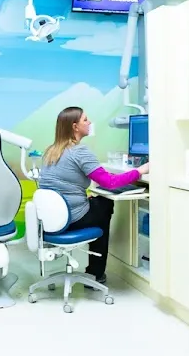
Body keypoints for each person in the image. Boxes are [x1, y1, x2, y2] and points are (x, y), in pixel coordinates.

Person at [35, 106, 150, 285]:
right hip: (72, 218)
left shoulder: (51, 151)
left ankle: (96, 271)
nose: (89, 123)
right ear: (75, 126)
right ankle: (96, 273)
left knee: (96, 203)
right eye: (85, 119)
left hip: (53, 219)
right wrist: (140, 171)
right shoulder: (79, 152)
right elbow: (110, 182)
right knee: (104, 204)